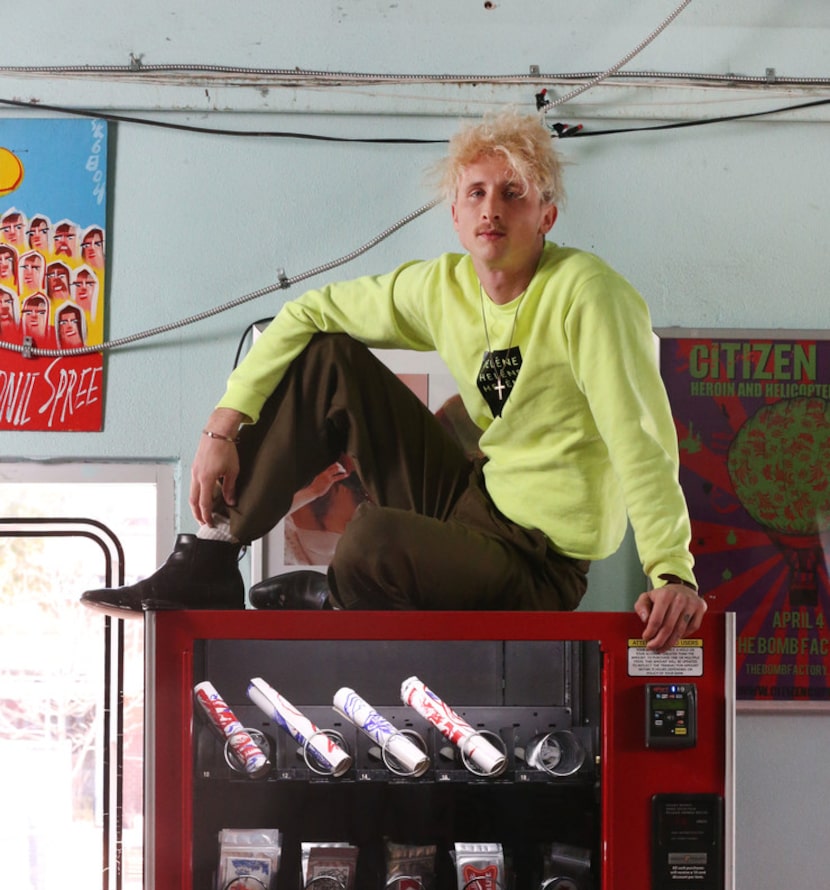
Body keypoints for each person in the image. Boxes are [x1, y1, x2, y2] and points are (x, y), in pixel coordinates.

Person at [82, 110, 706, 653]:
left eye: (513, 193)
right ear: (457, 218)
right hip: (474, 500)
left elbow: (640, 437)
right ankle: (213, 559)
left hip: (537, 563)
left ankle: (332, 598)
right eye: (477, 193)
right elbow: (307, 311)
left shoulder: (588, 295)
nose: (493, 208)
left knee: (370, 536)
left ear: (546, 215)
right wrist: (222, 426)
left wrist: (671, 572)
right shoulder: (444, 287)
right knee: (329, 358)